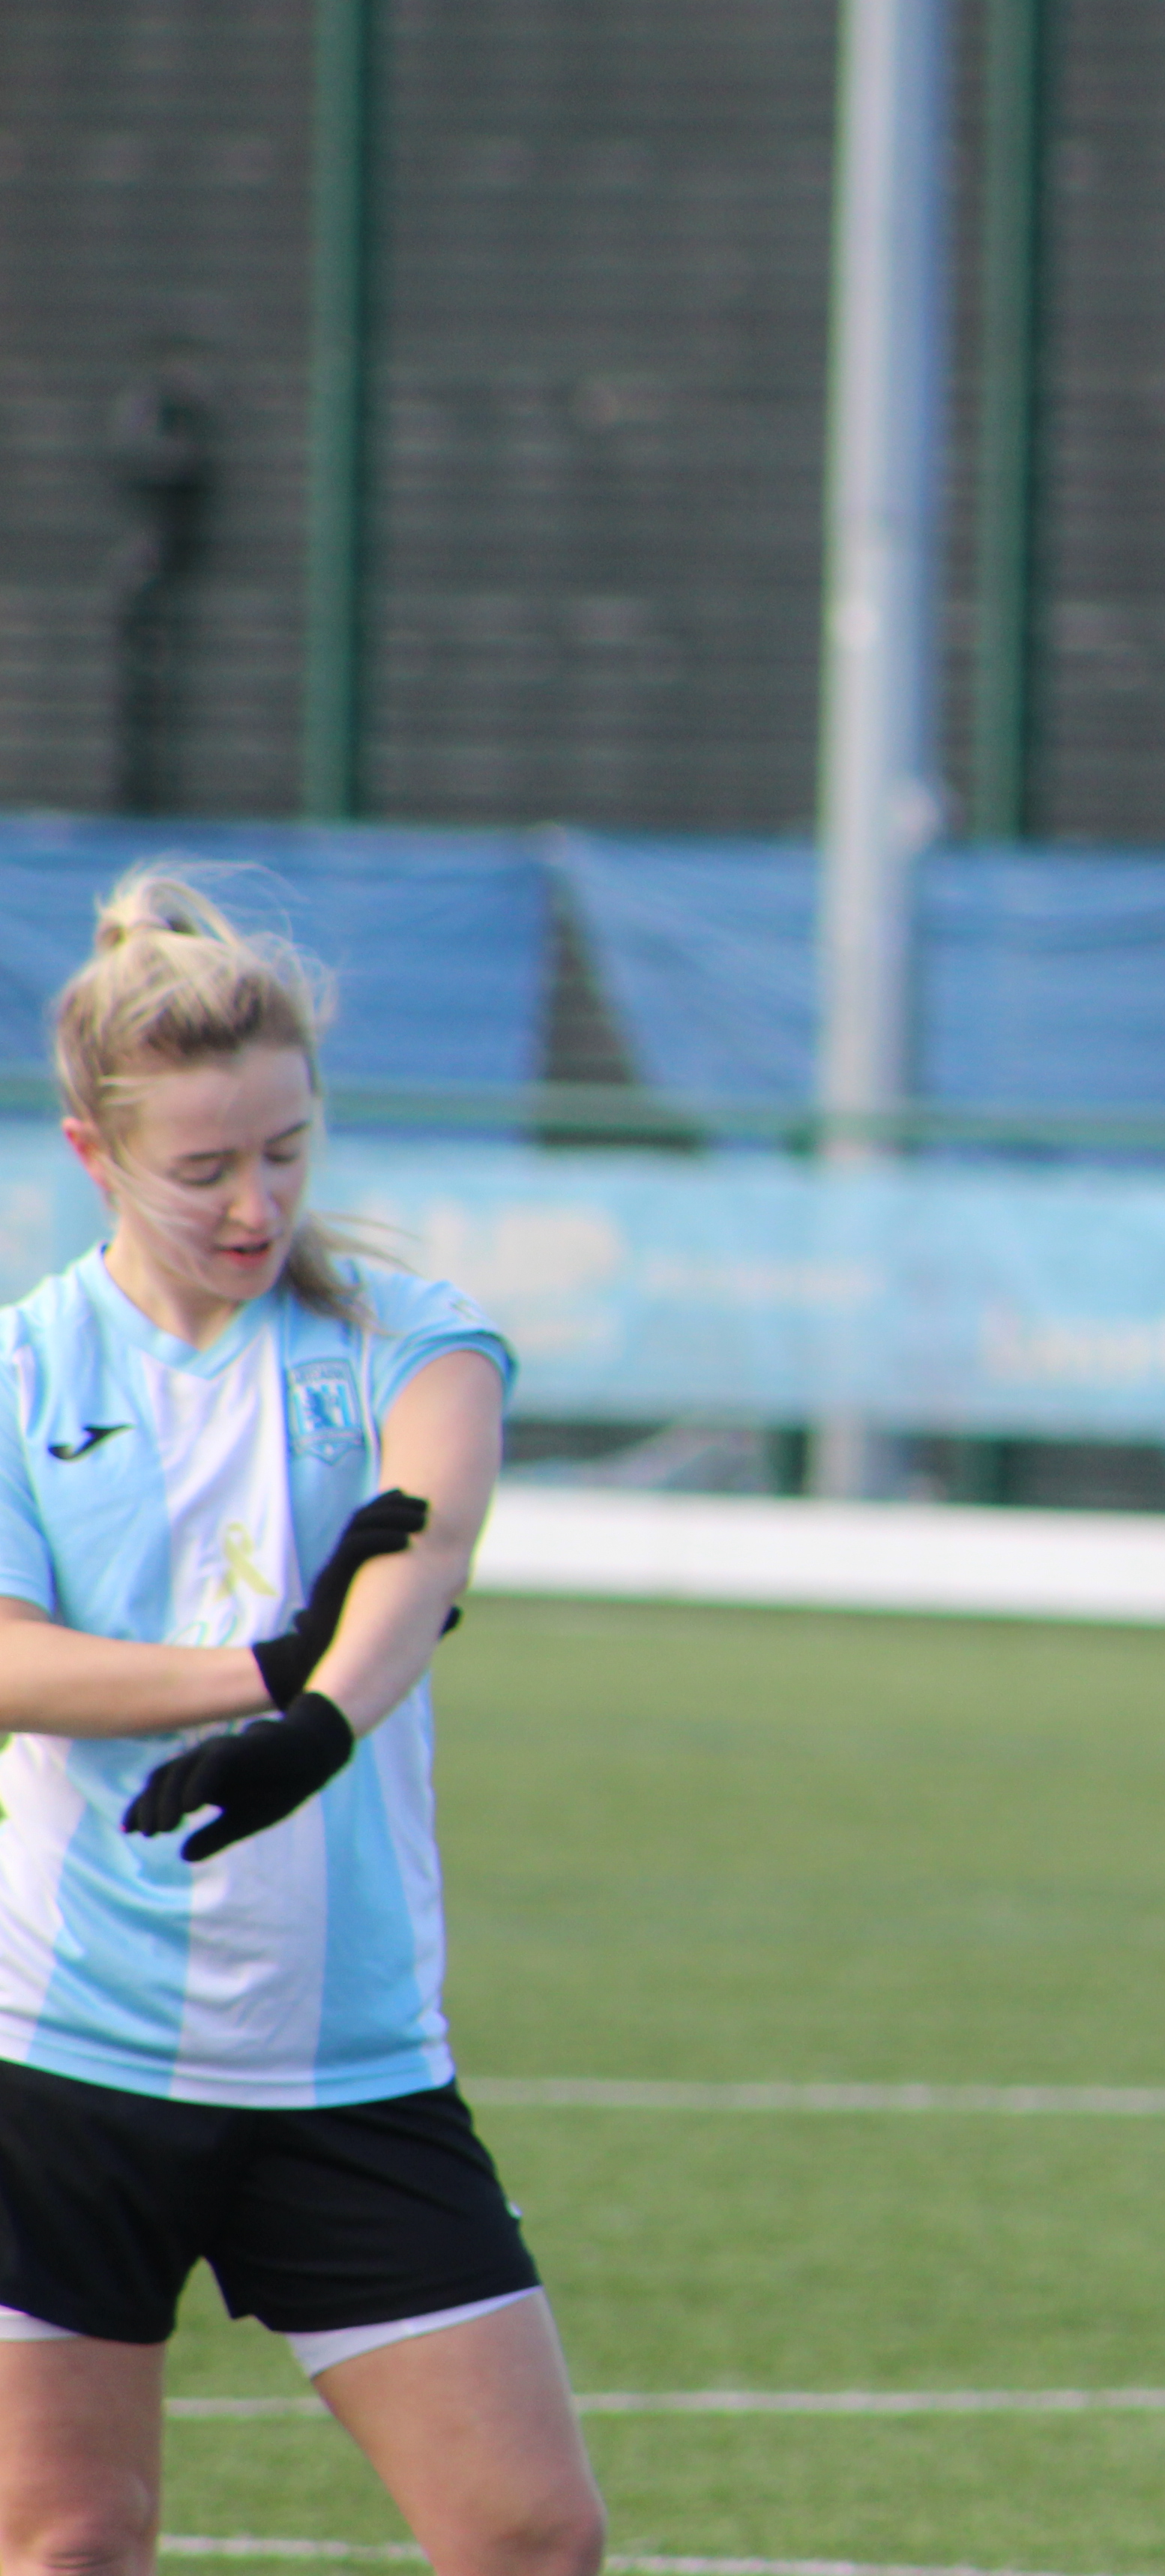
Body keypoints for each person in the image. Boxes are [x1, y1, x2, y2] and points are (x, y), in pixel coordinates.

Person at [0, 873, 603, 2576]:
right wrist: (263, 1679)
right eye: (204, 1169)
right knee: (68, 2543)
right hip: (53, 2058)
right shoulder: (25, 1373)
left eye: (286, 1150)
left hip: (347, 2060)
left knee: (530, 2537)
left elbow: (421, 1553)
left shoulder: (414, 1339)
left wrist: (325, 1718)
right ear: (94, 1155)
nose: (256, 1202)